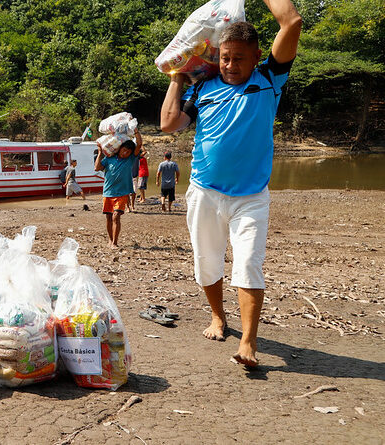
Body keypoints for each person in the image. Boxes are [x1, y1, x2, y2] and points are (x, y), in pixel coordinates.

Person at [159, 0, 302, 367]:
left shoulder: (269, 79)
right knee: (207, 263)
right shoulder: (202, 89)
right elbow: (169, 124)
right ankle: (218, 318)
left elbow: (292, 22)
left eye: (239, 58)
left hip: (251, 197)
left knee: (249, 264)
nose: (230, 65)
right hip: (205, 191)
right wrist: (178, 76)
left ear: (256, 57)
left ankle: (248, 343)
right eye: (224, 57)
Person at [95, 129, 142, 248]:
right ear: (119, 148)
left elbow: (139, 144)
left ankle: (115, 243)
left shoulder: (130, 159)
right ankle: (110, 240)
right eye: (124, 150)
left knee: (116, 216)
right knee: (108, 217)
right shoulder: (109, 159)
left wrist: (136, 131)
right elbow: (97, 168)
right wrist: (100, 152)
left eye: (128, 151)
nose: (125, 153)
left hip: (122, 193)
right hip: (108, 192)